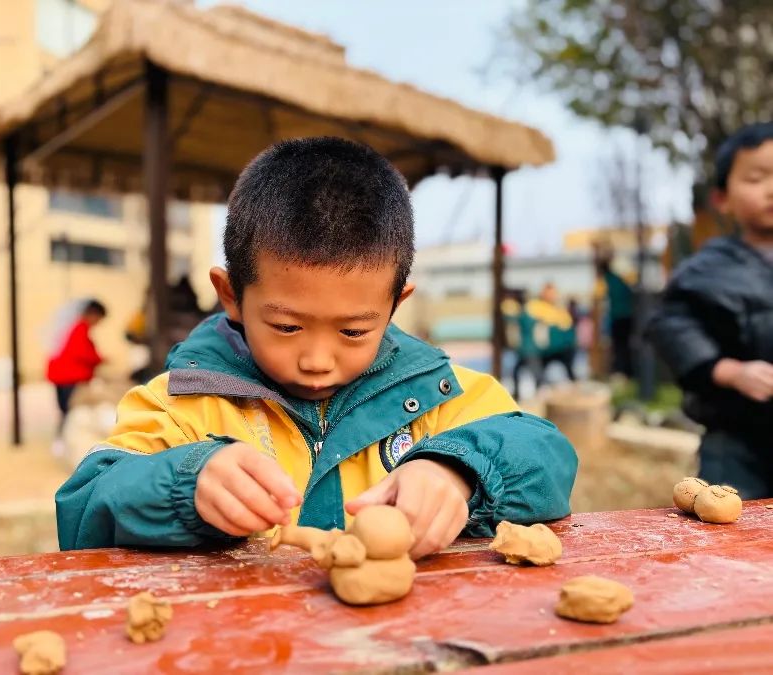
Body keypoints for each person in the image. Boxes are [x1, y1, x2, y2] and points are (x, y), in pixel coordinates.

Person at [56, 138, 577, 558]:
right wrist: (183, 485)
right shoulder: (185, 402)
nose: (317, 360)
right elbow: (84, 508)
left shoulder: (439, 395)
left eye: (353, 331)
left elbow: (549, 457)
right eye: (285, 327)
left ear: (395, 304)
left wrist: (459, 470)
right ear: (231, 295)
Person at [648, 122, 773, 498]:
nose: (772, 188)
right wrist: (730, 372)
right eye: (756, 177)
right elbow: (671, 326)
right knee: (732, 533)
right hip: (738, 439)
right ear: (723, 198)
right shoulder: (706, 270)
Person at [46, 299, 107, 452]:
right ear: (93, 314)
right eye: (99, 318)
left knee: (65, 410)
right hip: (69, 377)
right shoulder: (80, 329)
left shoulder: (74, 328)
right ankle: (62, 441)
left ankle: (61, 441)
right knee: (70, 410)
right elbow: (82, 354)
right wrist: (100, 359)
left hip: (62, 376)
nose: (98, 323)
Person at [595, 247, 635, 377]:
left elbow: (597, 298)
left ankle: (621, 371)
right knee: (626, 345)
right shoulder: (622, 279)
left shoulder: (605, 280)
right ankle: (628, 371)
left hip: (617, 317)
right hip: (628, 316)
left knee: (618, 346)